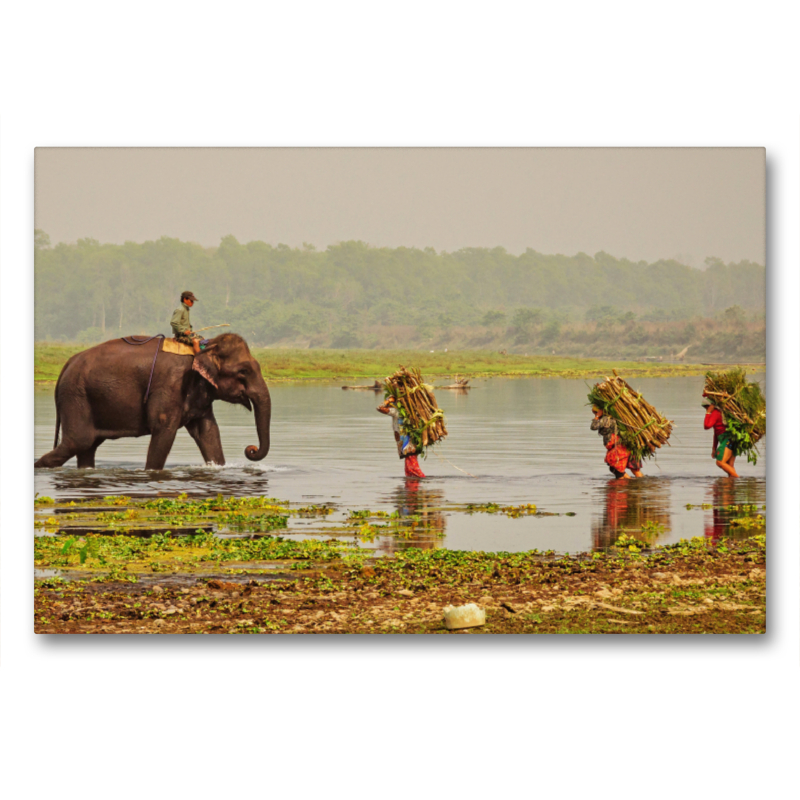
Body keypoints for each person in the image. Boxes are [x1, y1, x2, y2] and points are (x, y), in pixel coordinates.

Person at [377, 396, 426, 478]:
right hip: (412, 445)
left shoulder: (396, 412)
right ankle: (411, 488)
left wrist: (388, 400)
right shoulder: (412, 411)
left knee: (413, 470)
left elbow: (379, 408)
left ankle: (416, 488)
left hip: (408, 447)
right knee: (409, 472)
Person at [591, 407, 643, 479]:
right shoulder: (618, 417)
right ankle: (637, 484)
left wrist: (597, 417)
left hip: (621, 447)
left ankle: (628, 484)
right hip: (630, 444)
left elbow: (593, 427)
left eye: (595, 413)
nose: (594, 415)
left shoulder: (606, 419)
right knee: (634, 469)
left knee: (617, 470)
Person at [703, 396, 739, 478]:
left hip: (728, 439)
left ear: (712, 405)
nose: (706, 409)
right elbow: (716, 433)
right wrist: (714, 448)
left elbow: (706, 426)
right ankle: (731, 487)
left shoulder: (715, 413)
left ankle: (738, 479)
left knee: (720, 462)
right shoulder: (718, 412)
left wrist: (708, 413)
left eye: (707, 407)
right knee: (729, 466)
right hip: (732, 439)